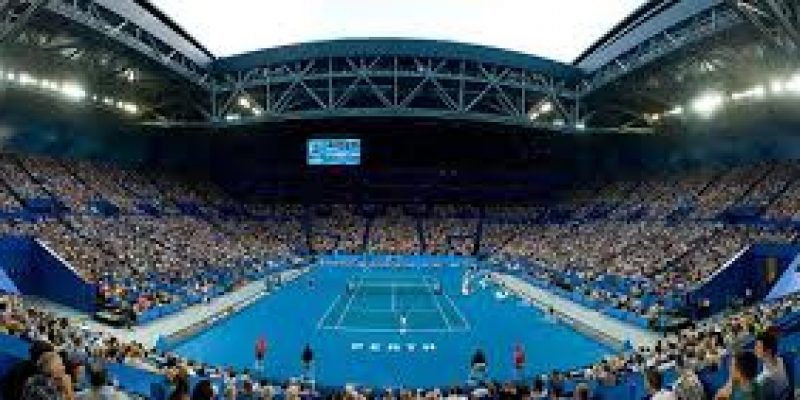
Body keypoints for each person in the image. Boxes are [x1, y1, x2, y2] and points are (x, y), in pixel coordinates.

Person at [754, 330, 790, 400]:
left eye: (758, 347)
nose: (755, 349)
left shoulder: (765, 379)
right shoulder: (780, 359)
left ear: (768, 351)